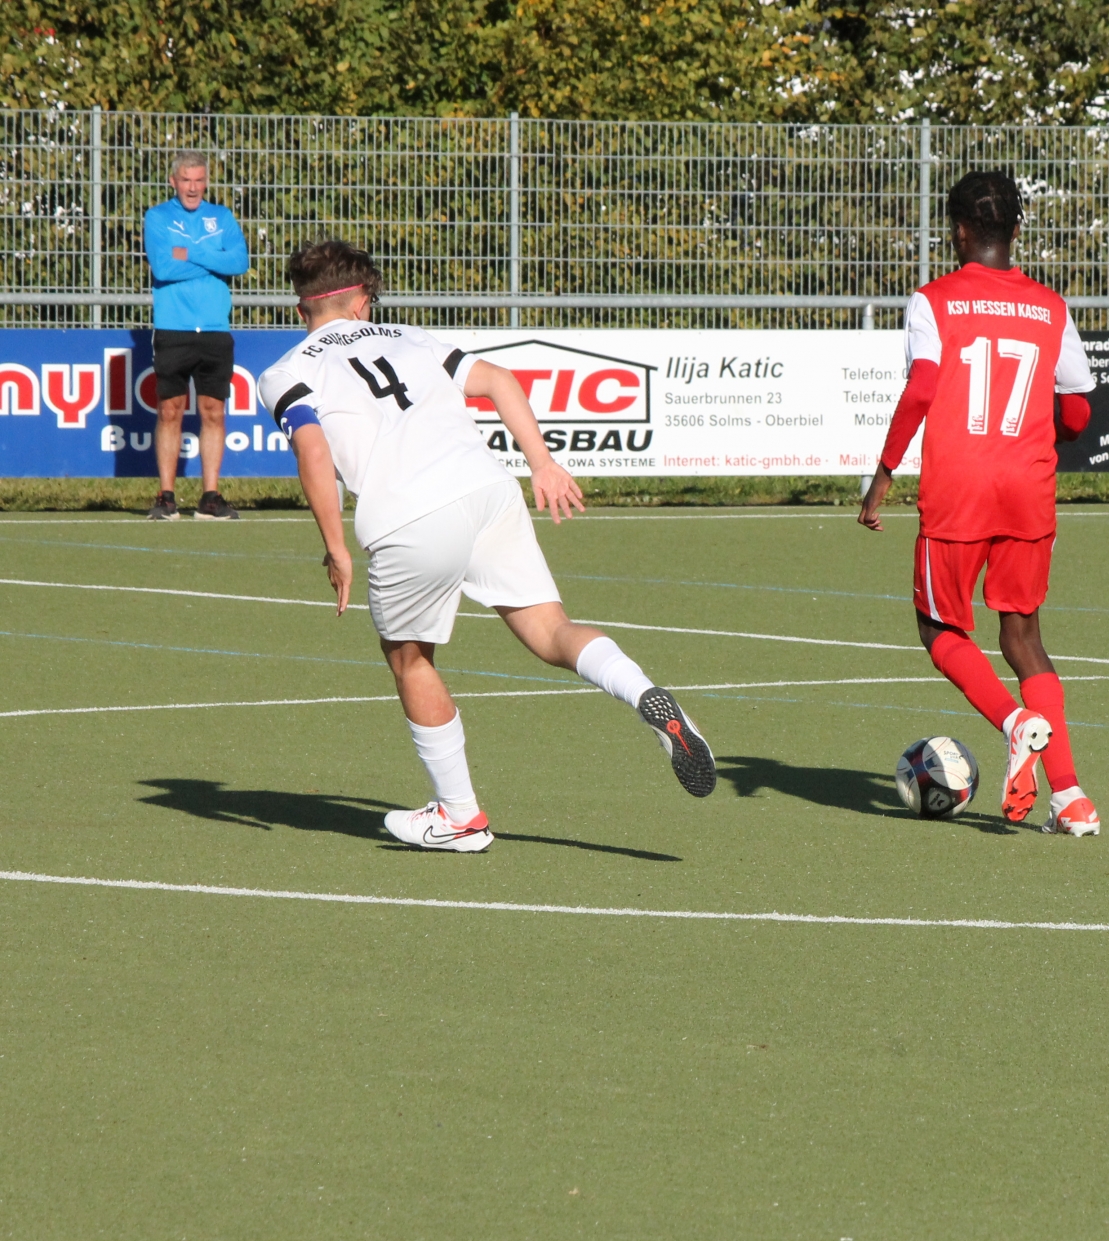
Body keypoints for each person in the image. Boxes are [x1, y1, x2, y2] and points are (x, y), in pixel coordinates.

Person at [258, 240, 714, 852]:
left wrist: (335, 545)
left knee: (410, 659)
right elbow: (499, 381)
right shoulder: (411, 337)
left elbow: (312, 450)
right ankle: (644, 693)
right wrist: (542, 464)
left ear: (301, 309)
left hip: (409, 515)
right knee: (552, 631)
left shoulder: (285, 371)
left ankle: (460, 817)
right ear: (363, 300)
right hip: (487, 490)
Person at [856, 171, 1100, 836]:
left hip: (959, 489)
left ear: (958, 231)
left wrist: (884, 472)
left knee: (938, 629)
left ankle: (1015, 723)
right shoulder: (1050, 306)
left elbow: (922, 387)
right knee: (1025, 638)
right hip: (1028, 488)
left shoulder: (933, 300)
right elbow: (1078, 412)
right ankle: (1071, 799)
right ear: (1016, 230)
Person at [143, 149, 250, 521]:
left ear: (206, 182)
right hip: (173, 328)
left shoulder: (222, 217)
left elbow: (239, 262)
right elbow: (163, 267)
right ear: (173, 181)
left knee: (213, 412)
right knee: (170, 411)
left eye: (199, 180)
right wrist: (212, 257)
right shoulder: (157, 217)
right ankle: (166, 497)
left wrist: (189, 252)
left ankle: (210, 498)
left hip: (215, 330)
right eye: (185, 180)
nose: (192, 187)